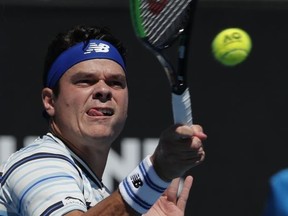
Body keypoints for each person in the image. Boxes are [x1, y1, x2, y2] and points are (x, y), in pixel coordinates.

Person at [0, 25, 207, 216]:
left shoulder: (97, 194)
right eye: (85, 81)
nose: (103, 90)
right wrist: (155, 173)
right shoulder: (37, 162)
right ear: (50, 101)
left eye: (116, 83)